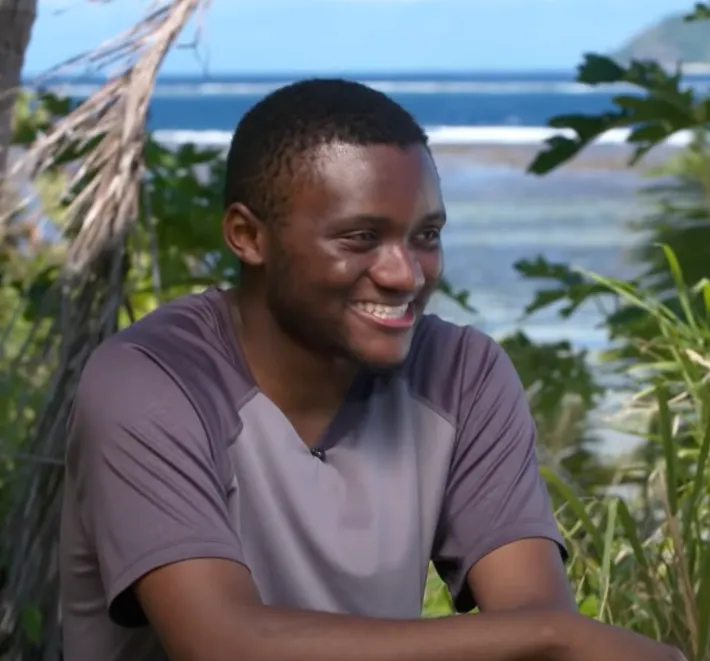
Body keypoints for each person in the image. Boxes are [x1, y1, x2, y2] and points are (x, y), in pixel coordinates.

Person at [59, 78, 684, 661]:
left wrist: (546, 633)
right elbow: (221, 643)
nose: (404, 274)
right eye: (360, 237)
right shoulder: (151, 381)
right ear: (247, 236)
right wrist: (557, 635)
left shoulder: (461, 374)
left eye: (426, 236)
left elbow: (530, 617)